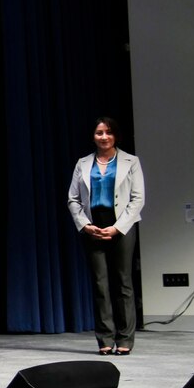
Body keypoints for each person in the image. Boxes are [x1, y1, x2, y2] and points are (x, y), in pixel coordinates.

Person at [67, 117, 144, 356]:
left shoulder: (131, 161)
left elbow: (137, 198)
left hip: (121, 225)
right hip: (93, 226)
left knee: (123, 283)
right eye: (99, 132)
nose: (103, 137)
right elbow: (73, 199)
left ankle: (125, 338)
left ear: (115, 136)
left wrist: (118, 227)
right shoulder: (83, 163)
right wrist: (85, 225)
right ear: (93, 136)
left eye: (108, 132)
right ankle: (105, 339)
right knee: (100, 284)